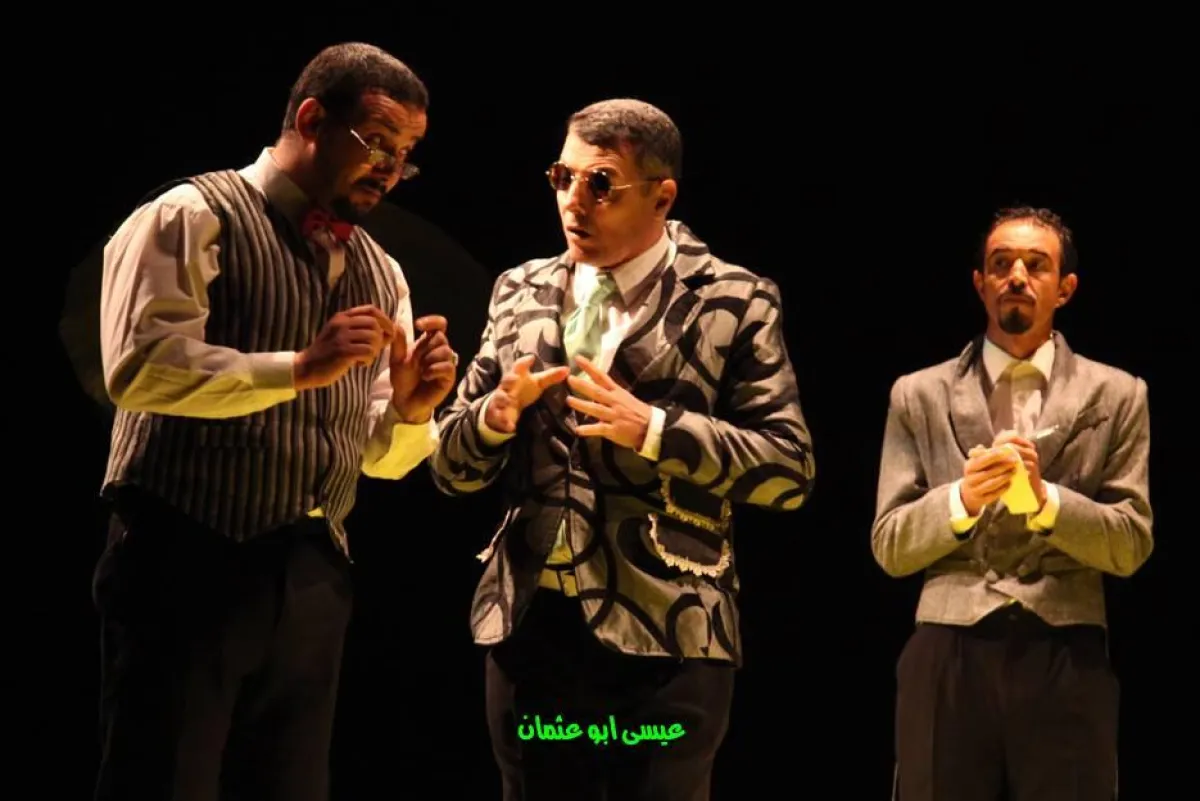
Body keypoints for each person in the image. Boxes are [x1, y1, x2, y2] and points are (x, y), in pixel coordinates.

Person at [91, 42, 457, 801]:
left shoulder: (382, 271)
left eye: (405, 155)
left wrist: (412, 411)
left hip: (314, 576)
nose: (391, 169)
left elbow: (378, 459)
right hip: (184, 556)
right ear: (312, 119)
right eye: (377, 143)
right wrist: (298, 367)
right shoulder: (192, 215)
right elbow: (140, 369)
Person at [430, 98, 815, 800]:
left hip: (669, 633)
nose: (573, 201)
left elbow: (789, 468)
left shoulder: (735, 298)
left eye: (600, 183)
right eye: (563, 177)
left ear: (662, 196)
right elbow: (450, 468)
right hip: (531, 629)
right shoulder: (519, 289)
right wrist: (493, 418)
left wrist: (657, 430)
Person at [871, 206, 1154, 801]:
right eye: (1001, 264)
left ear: (1065, 288)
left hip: (1066, 647)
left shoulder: (1118, 394)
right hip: (947, 644)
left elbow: (1130, 544)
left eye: (1035, 264)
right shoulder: (917, 394)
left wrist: (1048, 502)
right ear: (980, 283)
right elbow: (890, 545)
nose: (1016, 276)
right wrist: (962, 499)